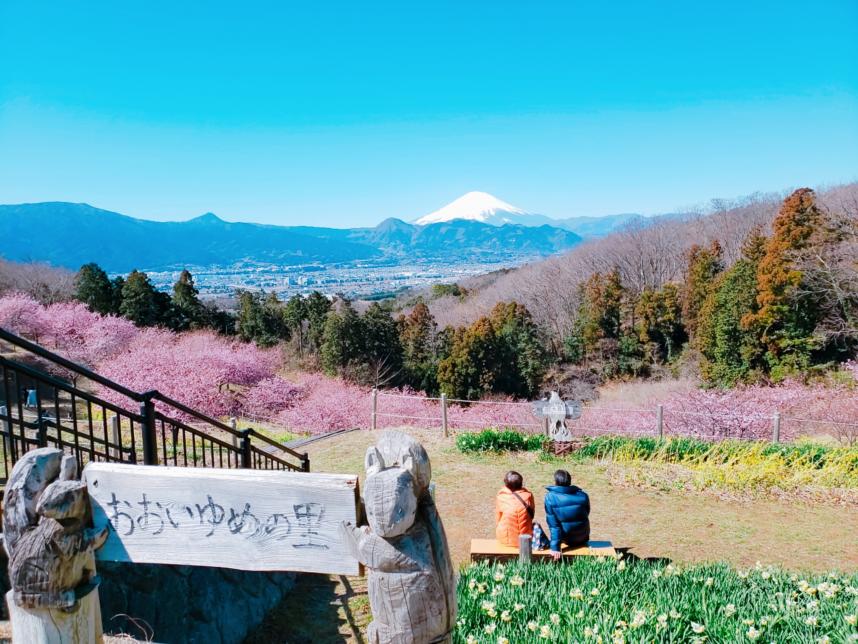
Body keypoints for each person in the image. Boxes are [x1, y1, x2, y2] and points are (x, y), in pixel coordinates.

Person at [544, 469, 590, 561]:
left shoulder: (550, 497)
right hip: (583, 537)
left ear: (556, 481)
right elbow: (586, 513)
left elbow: (554, 526)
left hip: (566, 539)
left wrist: (555, 547)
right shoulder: (583, 495)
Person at [495, 470, 534, 547]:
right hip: (525, 539)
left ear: (506, 484)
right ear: (521, 483)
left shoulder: (501, 497)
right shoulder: (528, 496)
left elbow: (498, 519)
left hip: (505, 540)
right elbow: (531, 515)